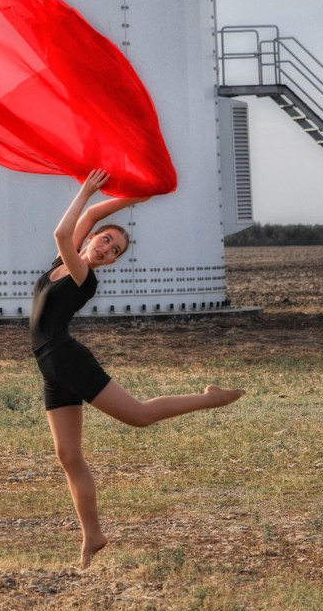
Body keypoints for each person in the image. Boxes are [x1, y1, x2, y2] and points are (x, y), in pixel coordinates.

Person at [31, 169, 245, 568]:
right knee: (68, 456)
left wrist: (84, 191)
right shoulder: (63, 262)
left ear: (109, 263)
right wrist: (133, 199)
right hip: (51, 370)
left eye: (113, 251)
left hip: (68, 360)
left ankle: (209, 399)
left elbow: (63, 233)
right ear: (92, 238)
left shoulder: (82, 277)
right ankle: (92, 535)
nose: (107, 248)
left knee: (139, 416)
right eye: (106, 240)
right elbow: (91, 216)